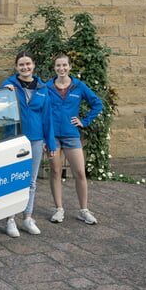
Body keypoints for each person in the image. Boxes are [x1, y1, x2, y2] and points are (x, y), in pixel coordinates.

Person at [1, 51, 56, 237]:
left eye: (28, 64)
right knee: (13, 179)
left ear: (34, 65)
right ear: (16, 67)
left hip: (36, 139)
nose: (25, 67)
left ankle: (27, 218)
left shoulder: (42, 88)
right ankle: (10, 219)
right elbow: (1, 110)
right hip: (15, 139)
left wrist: (51, 144)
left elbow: (47, 117)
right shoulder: (9, 86)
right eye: (21, 65)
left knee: (31, 181)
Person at [46, 54, 103, 225]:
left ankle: (83, 210)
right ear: (54, 68)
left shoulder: (79, 86)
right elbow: (40, 110)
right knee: (55, 172)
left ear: (70, 67)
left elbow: (97, 104)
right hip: (53, 136)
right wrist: (44, 136)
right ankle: (59, 209)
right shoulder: (47, 87)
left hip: (72, 136)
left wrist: (84, 121)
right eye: (58, 66)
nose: (61, 68)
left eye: (64, 65)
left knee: (79, 172)